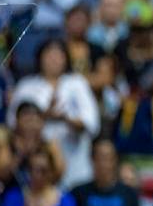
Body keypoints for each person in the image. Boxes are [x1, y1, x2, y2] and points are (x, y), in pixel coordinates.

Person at [9, 40, 100, 188]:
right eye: (49, 55)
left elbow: (92, 123)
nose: (53, 60)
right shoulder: (26, 86)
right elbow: (13, 123)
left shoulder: (78, 83)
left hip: (76, 162)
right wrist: (44, 117)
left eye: (58, 55)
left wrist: (64, 118)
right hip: (36, 165)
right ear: (40, 58)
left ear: (66, 58)